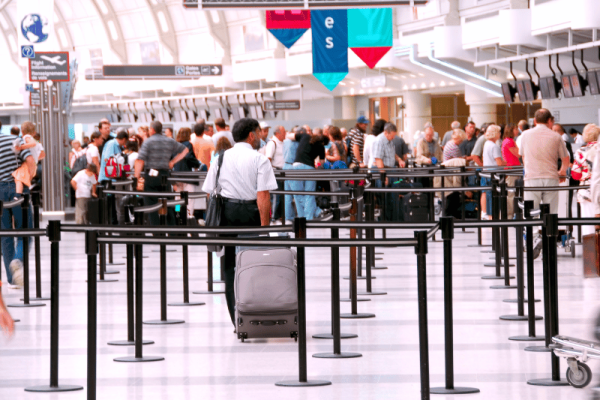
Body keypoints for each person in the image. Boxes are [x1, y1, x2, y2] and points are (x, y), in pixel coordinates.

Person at [201, 117, 277, 325]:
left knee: (229, 266)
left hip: (226, 213)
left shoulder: (220, 158)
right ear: (252, 135)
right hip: (250, 212)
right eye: (259, 133)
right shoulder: (259, 159)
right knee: (252, 263)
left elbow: (210, 192)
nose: (262, 137)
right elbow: (263, 196)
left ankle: (236, 319)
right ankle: (252, 316)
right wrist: (264, 229)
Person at [520, 109, 570, 257]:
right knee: (550, 212)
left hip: (532, 178)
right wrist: (561, 172)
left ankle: (533, 239)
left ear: (534, 121)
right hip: (551, 178)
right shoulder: (556, 136)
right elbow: (565, 160)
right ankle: (549, 242)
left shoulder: (525, 135)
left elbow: (523, 157)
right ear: (550, 121)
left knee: (531, 211)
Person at [134, 121, 189, 225]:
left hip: (151, 175)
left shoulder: (148, 142)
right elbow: (185, 150)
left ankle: (157, 232)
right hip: (164, 175)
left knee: (151, 204)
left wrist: (136, 179)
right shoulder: (169, 141)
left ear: (152, 130)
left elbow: (140, 160)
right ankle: (172, 231)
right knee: (168, 202)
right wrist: (172, 162)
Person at [0, 127, 35, 288]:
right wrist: (30, 175)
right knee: (24, 231)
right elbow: (30, 160)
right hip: (17, 187)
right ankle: (18, 259)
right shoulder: (13, 140)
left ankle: (12, 280)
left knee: (5, 235)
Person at [571, 124, 600, 236]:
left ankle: (591, 252)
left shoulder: (581, 152)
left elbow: (576, 175)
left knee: (588, 230)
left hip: (586, 192)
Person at [292, 130, 326, 220]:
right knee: (309, 194)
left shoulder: (305, 136)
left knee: (297, 193)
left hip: (296, 165)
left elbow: (291, 136)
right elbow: (322, 162)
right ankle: (310, 216)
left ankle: (301, 217)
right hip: (309, 168)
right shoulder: (321, 146)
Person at [173, 127, 200, 220]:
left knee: (178, 199)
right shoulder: (188, 144)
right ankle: (189, 217)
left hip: (176, 176)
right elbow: (188, 157)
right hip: (187, 176)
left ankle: (177, 215)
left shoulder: (175, 145)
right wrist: (197, 163)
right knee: (189, 199)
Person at [481, 125, 505, 219]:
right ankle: (491, 215)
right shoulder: (495, 146)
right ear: (495, 134)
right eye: (499, 132)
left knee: (485, 193)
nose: (500, 134)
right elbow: (499, 162)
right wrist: (508, 163)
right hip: (493, 174)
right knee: (493, 195)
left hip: (485, 172)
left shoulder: (486, 143)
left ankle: (484, 213)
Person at [265, 126, 286, 223]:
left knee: (282, 196)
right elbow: (268, 159)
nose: (285, 134)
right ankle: (273, 216)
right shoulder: (272, 143)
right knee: (276, 196)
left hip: (283, 172)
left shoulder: (283, 143)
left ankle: (279, 215)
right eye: (283, 132)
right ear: (278, 133)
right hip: (275, 172)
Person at [501, 123, 521, 218]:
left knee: (512, 193)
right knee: (511, 193)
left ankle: (511, 214)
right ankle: (510, 215)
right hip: (512, 169)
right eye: (515, 129)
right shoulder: (509, 141)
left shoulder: (508, 141)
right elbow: (518, 154)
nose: (517, 131)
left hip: (512, 169)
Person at [283, 128, 301, 223]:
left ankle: (288, 217)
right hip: (293, 167)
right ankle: (301, 216)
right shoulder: (297, 143)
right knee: (297, 194)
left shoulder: (285, 141)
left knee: (287, 195)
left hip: (285, 166)